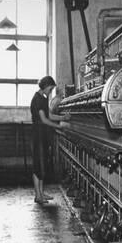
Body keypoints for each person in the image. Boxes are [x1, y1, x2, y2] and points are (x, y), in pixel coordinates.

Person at [30, 76, 70, 204]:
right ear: (46, 86)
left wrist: (64, 117)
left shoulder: (43, 98)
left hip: (43, 135)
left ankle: (41, 193)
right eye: (51, 88)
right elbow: (44, 120)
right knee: (38, 165)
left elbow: (49, 115)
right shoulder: (37, 99)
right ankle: (38, 195)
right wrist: (60, 126)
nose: (51, 91)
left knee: (42, 164)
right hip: (38, 135)